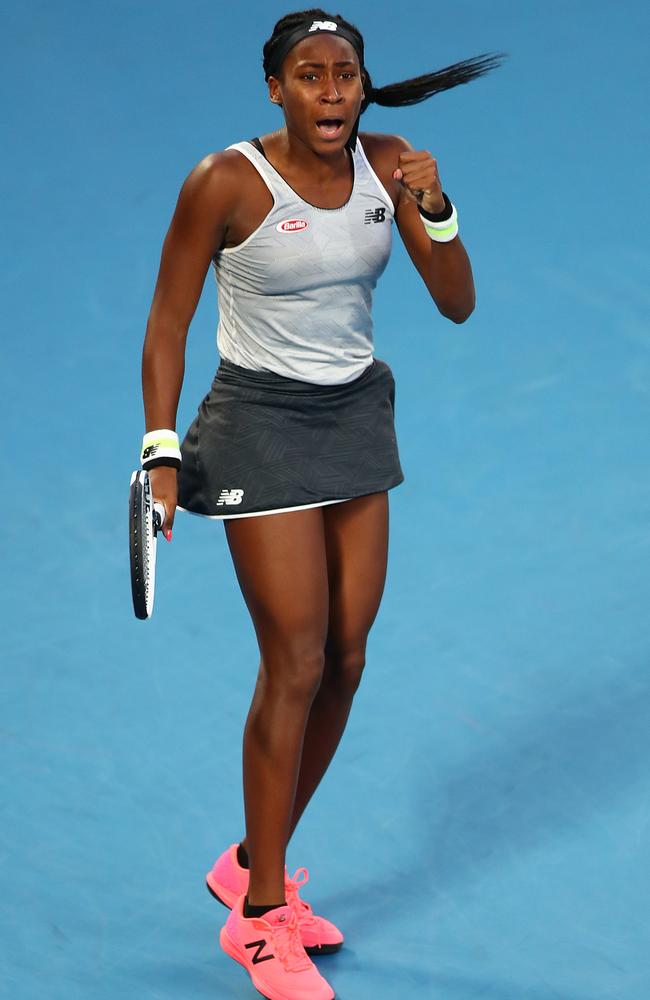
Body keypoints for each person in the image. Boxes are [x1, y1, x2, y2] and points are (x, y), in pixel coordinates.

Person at [139, 9, 502, 999]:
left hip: (354, 420)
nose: (332, 90)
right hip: (254, 425)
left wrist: (435, 207)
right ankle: (258, 917)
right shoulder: (222, 182)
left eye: (345, 73)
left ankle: (249, 862)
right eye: (309, 74)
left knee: (346, 656)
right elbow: (168, 319)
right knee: (293, 657)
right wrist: (162, 450)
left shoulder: (388, 163)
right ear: (277, 90)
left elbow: (456, 300)